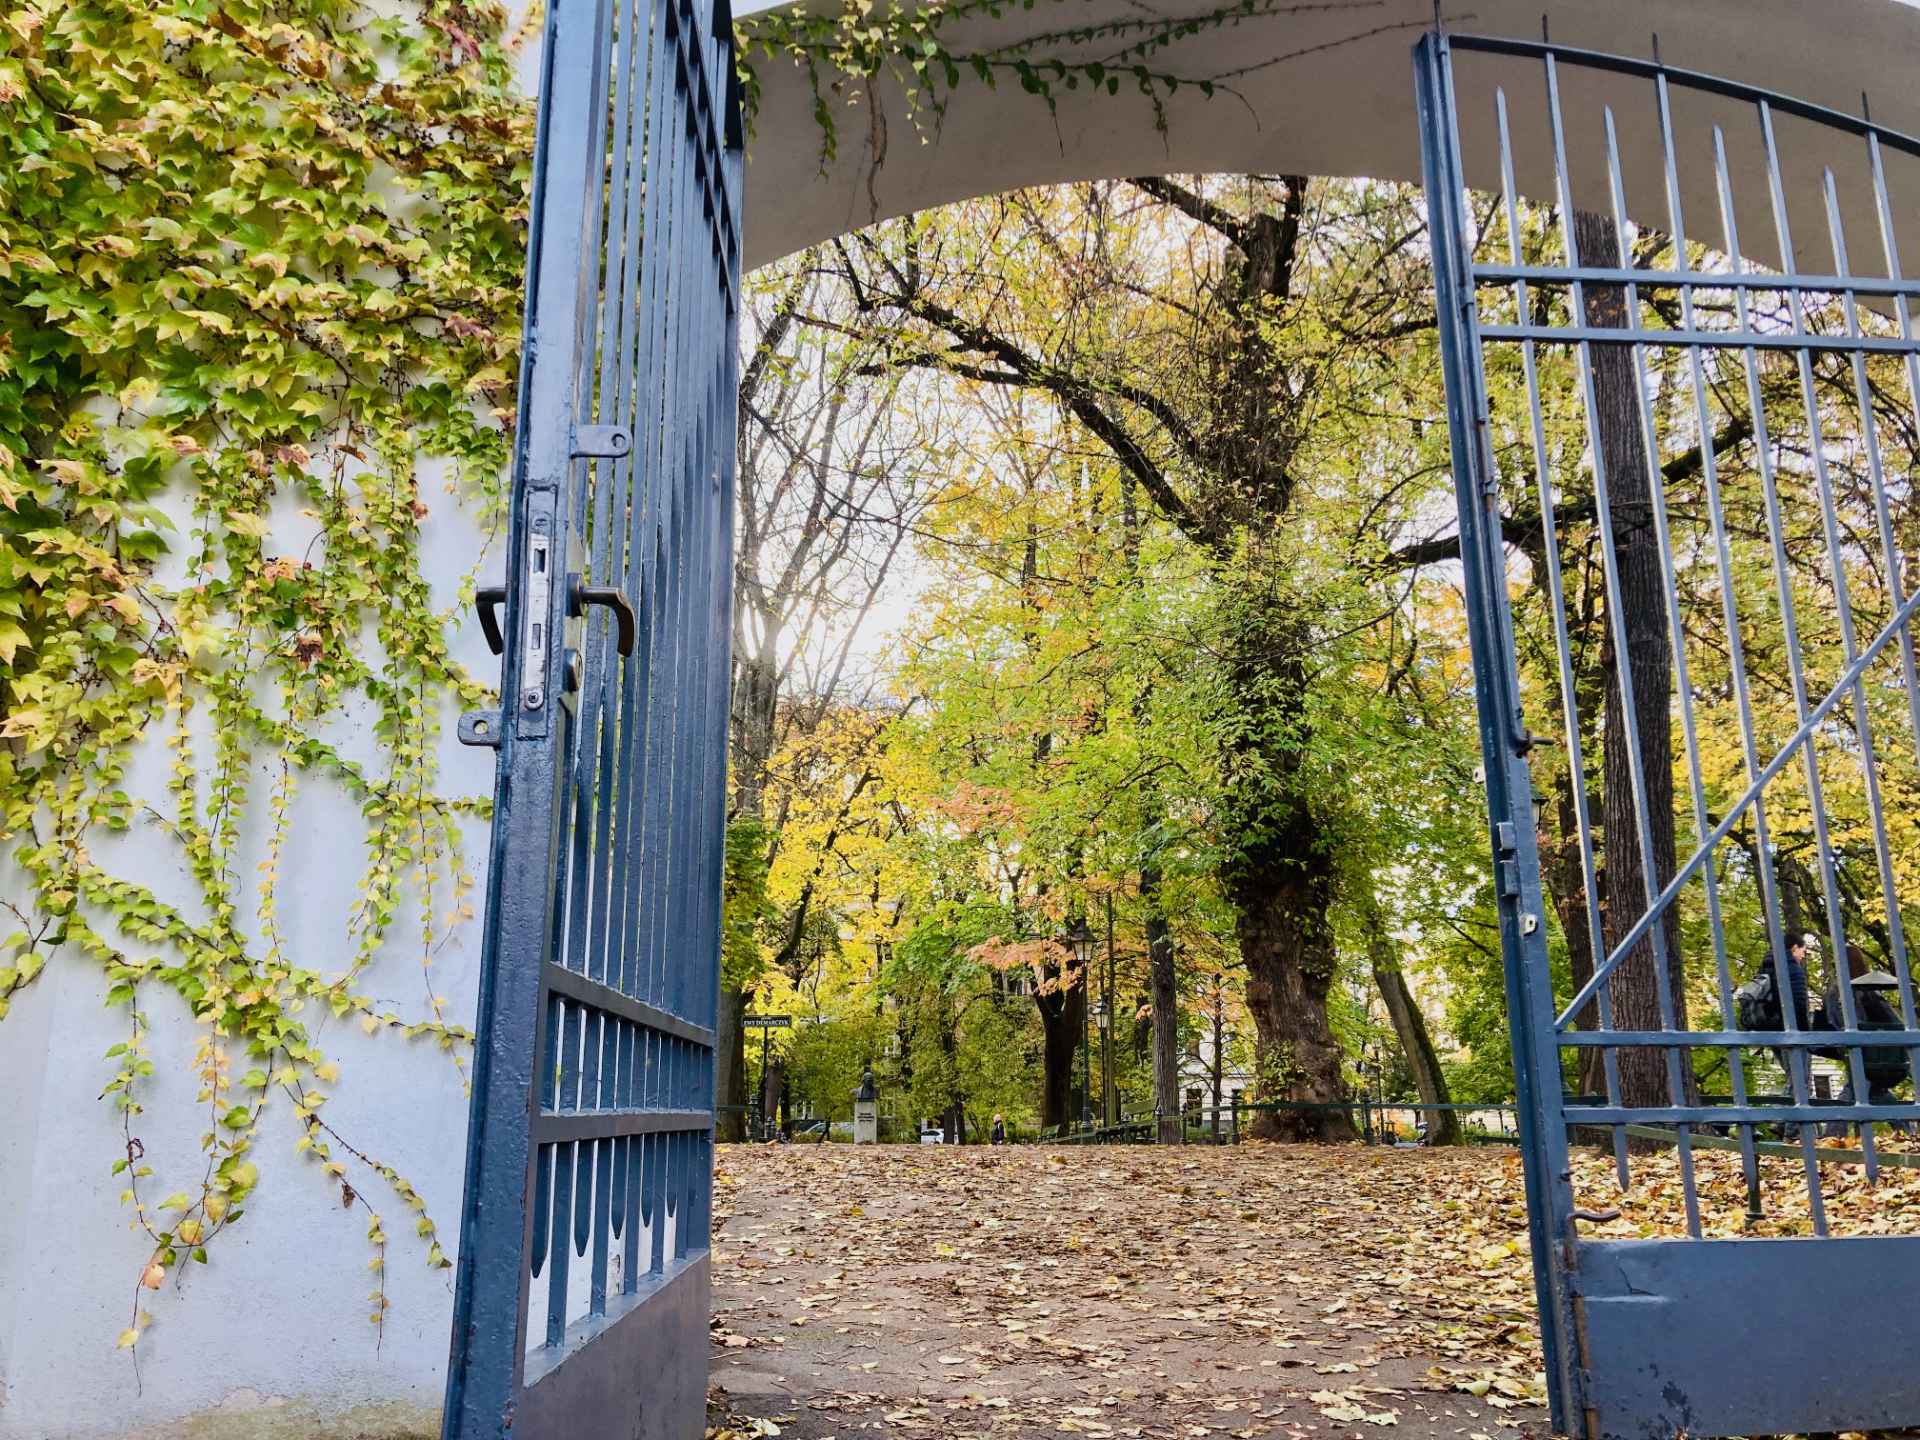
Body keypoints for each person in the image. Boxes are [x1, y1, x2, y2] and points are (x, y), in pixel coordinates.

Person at [1821, 943, 1909, 1138]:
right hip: (1873, 1050)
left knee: (1865, 1090)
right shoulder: (1867, 989)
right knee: (1867, 1089)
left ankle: (1833, 1136)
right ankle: (1906, 1133)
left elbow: (1841, 1022)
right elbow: (1893, 1020)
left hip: (1858, 1049)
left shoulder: (1839, 991)